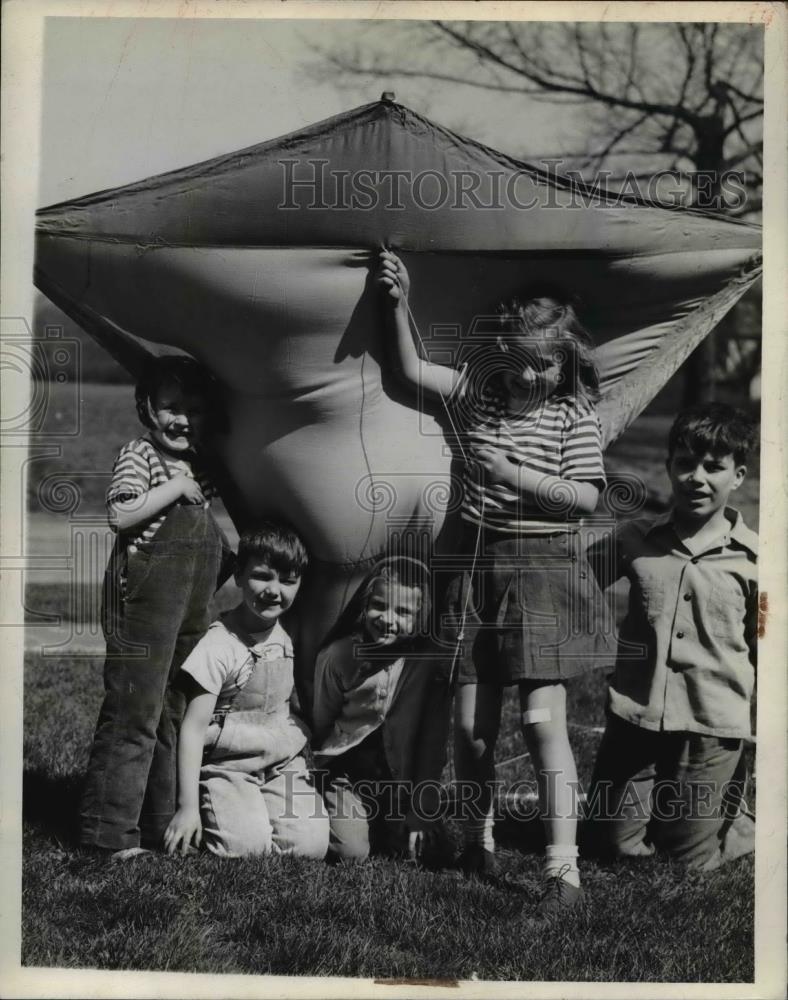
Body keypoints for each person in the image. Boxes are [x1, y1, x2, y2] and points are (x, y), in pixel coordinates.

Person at [376, 250, 615, 914]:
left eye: (545, 362)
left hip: (543, 574)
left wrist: (513, 475)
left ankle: (562, 873)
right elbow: (409, 371)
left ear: (567, 362)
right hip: (478, 575)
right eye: (519, 360)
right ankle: (476, 840)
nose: (531, 374)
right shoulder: (482, 397)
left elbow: (585, 500)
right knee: (472, 728)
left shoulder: (574, 415)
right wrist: (398, 301)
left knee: (542, 723)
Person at [584, 403, 758, 870]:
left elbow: (767, 648)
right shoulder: (632, 539)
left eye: (713, 468)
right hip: (635, 717)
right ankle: (669, 801)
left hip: (710, 723)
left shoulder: (756, 561)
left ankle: (734, 817)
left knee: (687, 861)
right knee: (610, 845)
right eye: (685, 463)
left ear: (737, 476)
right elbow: (571, 585)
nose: (696, 477)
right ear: (668, 467)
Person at [80, 355, 231, 859]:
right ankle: (108, 833)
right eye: (170, 406)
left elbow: (206, 539)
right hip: (143, 604)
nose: (181, 418)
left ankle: (163, 829)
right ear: (147, 407)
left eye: (193, 408)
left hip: (188, 607)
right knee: (133, 714)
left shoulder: (202, 468)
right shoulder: (139, 455)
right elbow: (119, 513)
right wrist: (175, 488)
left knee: (173, 711)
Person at [164, 523, 329, 859]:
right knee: (246, 849)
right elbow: (194, 729)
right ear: (238, 576)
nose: (274, 590)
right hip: (229, 765)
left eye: (287, 581)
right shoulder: (219, 644)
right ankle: (231, 815)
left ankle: (267, 809)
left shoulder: (288, 633)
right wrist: (187, 808)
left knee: (310, 847)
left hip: (282, 762)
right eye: (262, 576)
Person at [312, 556, 450, 864]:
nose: (388, 619)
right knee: (351, 853)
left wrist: (422, 805)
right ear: (365, 604)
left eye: (403, 611)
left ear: (421, 616)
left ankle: (387, 823)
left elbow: (432, 744)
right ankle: (332, 809)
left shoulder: (427, 666)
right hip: (348, 777)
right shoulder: (339, 657)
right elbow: (322, 720)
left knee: (429, 852)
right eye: (379, 605)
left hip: (401, 782)